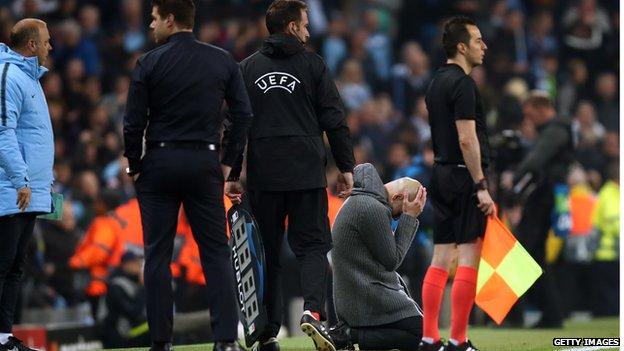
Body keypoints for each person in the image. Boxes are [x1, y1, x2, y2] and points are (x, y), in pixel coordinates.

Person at [122, 1, 253, 350]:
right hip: (204, 162)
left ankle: (161, 343)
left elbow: (133, 121)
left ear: (169, 19)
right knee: (215, 252)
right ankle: (225, 340)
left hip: (160, 162)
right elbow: (242, 114)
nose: (151, 26)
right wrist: (230, 164)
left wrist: (134, 163)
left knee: (158, 255)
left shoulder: (149, 61)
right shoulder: (222, 59)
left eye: (153, 19)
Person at [228, 1, 355, 350]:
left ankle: (268, 332)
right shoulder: (313, 65)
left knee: (265, 252)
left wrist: (233, 171)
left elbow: (236, 124)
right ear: (291, 28)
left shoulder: (247, 69)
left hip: (264, 174)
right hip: (306, 172)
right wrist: (345, 167)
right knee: (313, 245)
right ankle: (313, 312)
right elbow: (335, 119)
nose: (309, 31)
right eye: (305, 24)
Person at [419, 17, 493, 351]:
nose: (484, 46)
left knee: (440, 257)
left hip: (441, 173)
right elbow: (467, 138)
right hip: (464, 175)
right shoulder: (463, 84)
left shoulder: (435, 82)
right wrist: (480, 185)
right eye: (478, 40)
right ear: (462, 47)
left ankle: (429, 337)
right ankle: (459, 341)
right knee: (468, 257)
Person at [329, 163, 427, 351]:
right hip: (363, 295)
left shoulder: (364, 199)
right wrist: (410, 217)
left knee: (416, 329)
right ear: (398, 197)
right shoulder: (372, 207)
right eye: (399, 212)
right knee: (421, 333)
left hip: (361, 291)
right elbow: (392, 260)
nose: (396, 216)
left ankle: (351, 335)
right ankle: (349, 335)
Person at [0, 18, 53, 351]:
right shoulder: (8, 76)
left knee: (15, 267)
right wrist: (20, 179)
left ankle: (3, 337)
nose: (50, 46)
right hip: (11, 191)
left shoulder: (29, 79)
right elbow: (3, 133)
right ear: (31, 45)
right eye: (46, 41)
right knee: (3, 265)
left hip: (28, 192)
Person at [505, 92, 573, 328]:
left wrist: (516, 179)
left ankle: (516, 315)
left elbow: (535, 161)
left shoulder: (555, 131)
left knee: (524, 255)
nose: (528, 118)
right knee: (535, 257)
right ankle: (551, 315)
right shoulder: (556, 130)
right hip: (548, 197)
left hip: (544, 200)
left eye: (529, 112)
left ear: (541, 107)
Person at [102, 251, 150, 348]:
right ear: (126, 265)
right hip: (120, 333)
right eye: (136, 263)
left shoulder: (134, 282)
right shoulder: (116, 285)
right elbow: (133, 312)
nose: (139, 266)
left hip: (131, 330)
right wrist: (143, 288)